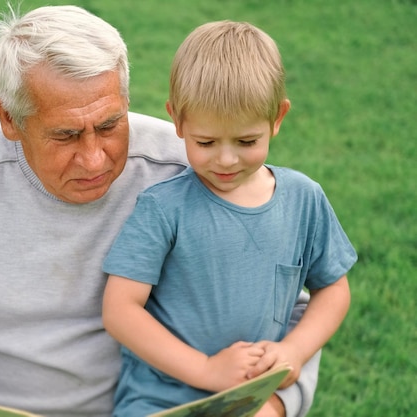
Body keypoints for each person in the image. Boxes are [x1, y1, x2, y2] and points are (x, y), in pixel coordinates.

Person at [0, 6, 320, 417]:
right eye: (64, 135)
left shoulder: (192, 165)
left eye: (109, 125)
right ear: (9, 119)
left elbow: (283, 305)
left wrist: (275, 403)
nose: (95, 159)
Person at [102, 20, 357, 417]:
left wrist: (294, 349)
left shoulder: (304, 199)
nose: (225, 159)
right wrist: (206, 369)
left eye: (246, 141)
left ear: (278, 117)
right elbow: (120, 310)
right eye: (205, 142)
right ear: (178, 120)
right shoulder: (163, 207)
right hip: (158, 402)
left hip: (247, 400)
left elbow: (334, 290)